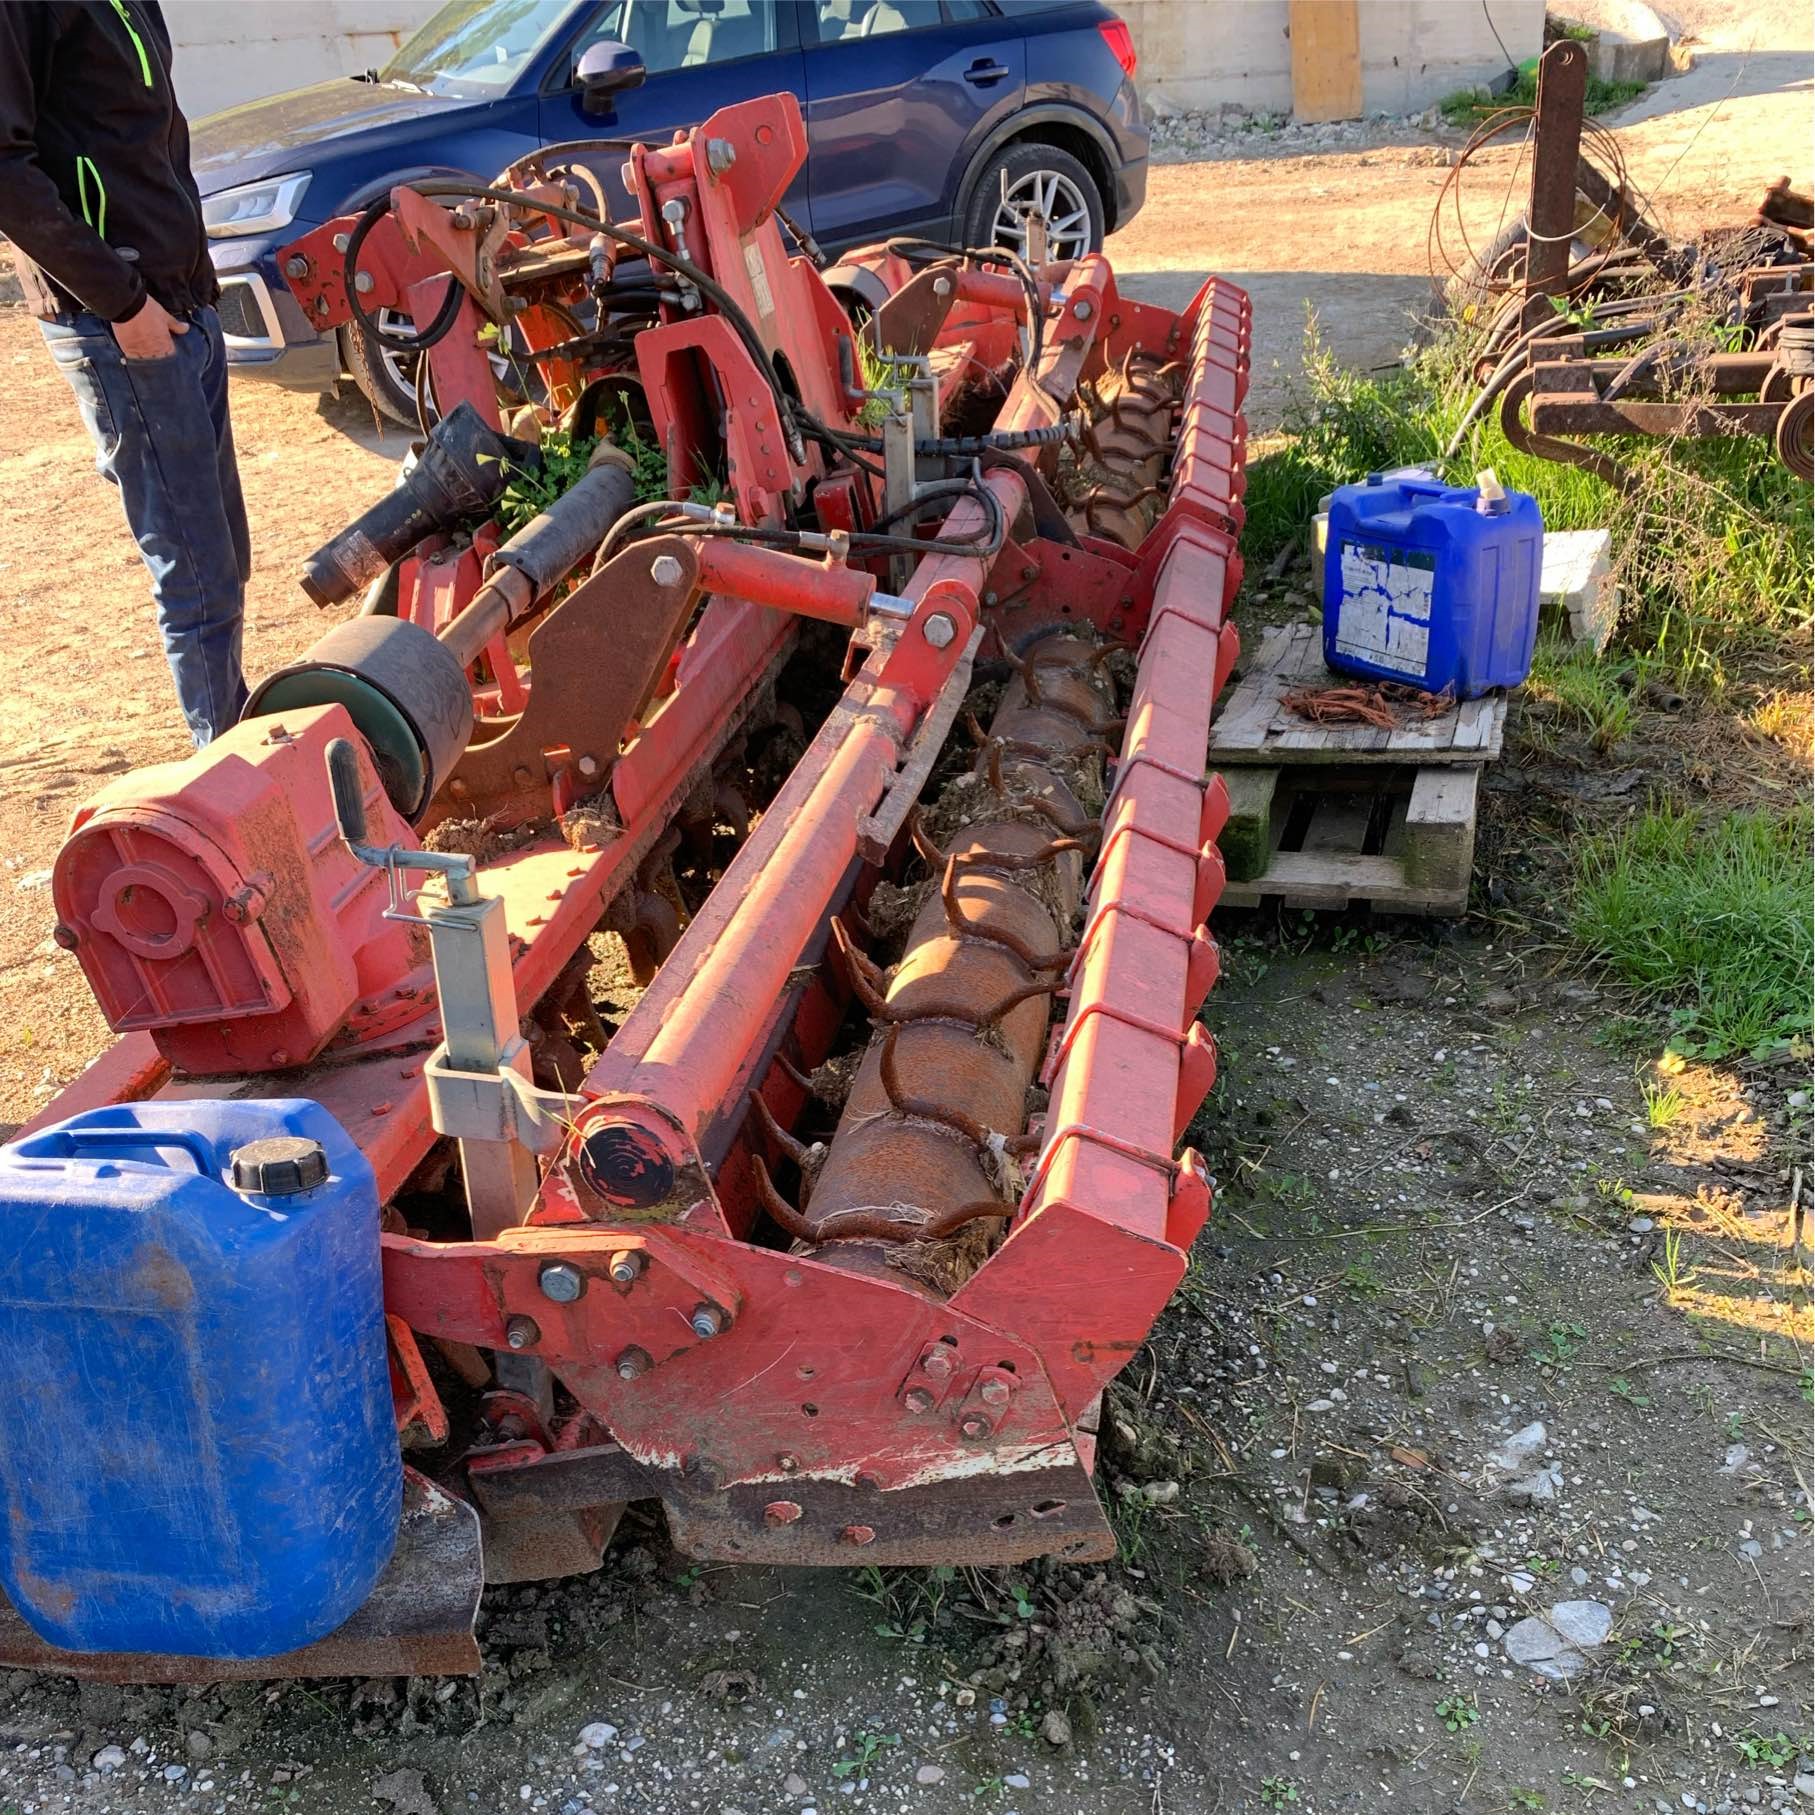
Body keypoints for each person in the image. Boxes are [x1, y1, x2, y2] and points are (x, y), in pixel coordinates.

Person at [0, 0, 250, 746]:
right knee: (198, 577)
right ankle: (227, 774)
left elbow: (147, 138)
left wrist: (195, 286)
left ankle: (239, 741)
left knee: (225, 557)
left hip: (181, 307)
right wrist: (123, 303)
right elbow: (6, 171)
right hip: (119, 325)